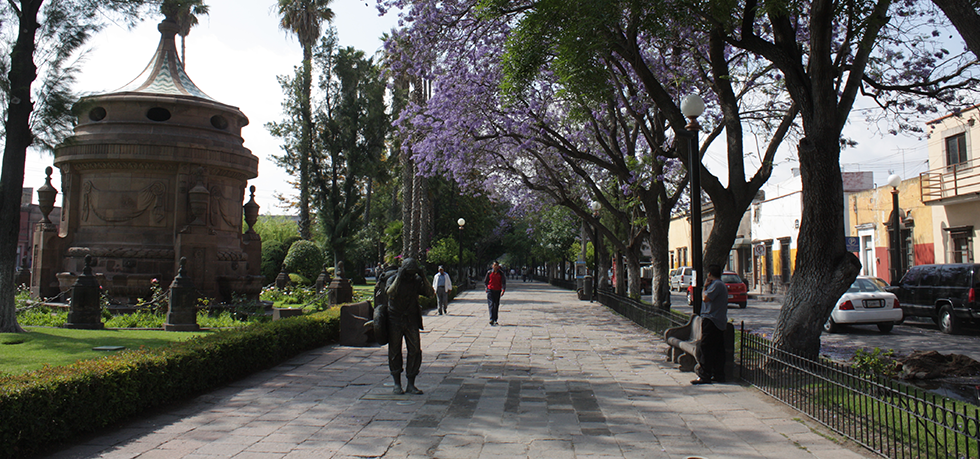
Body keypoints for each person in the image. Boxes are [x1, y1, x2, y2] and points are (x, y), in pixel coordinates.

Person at [384, 257, 435, 394]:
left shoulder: (416, 281)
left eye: (413, 273)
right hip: (395, 319)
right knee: (395, 351)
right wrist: (399, 277)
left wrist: (423, 276)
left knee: (415, 350)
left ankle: (411, 383)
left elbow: (430, 293)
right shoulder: (394, 279)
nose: (410, 276)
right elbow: (390, 293)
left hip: (411, 319)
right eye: (408, 273)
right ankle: (397, 383)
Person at [692, 264, 728, 385]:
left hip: (712, 320)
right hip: (717, 320)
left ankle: (705, 374)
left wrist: (704, 288)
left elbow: (705, 298)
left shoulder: (717, 285)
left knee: (706, 347)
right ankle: (718, 374)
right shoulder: (720, 285)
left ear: (709, 274)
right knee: (717, 348)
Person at [484, 261, 506, 325]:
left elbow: (503, 282)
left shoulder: (501, 273)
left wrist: (503, 290)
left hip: (497, 290)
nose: (496, 266)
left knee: (496, 305)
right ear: (492, 266)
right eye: (494, 265)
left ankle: (495, 319)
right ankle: (491, 318)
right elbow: (486, 281)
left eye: (497, 265)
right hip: (490, 290)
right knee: (491, 304)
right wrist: (486, 288)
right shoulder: (489, 273)